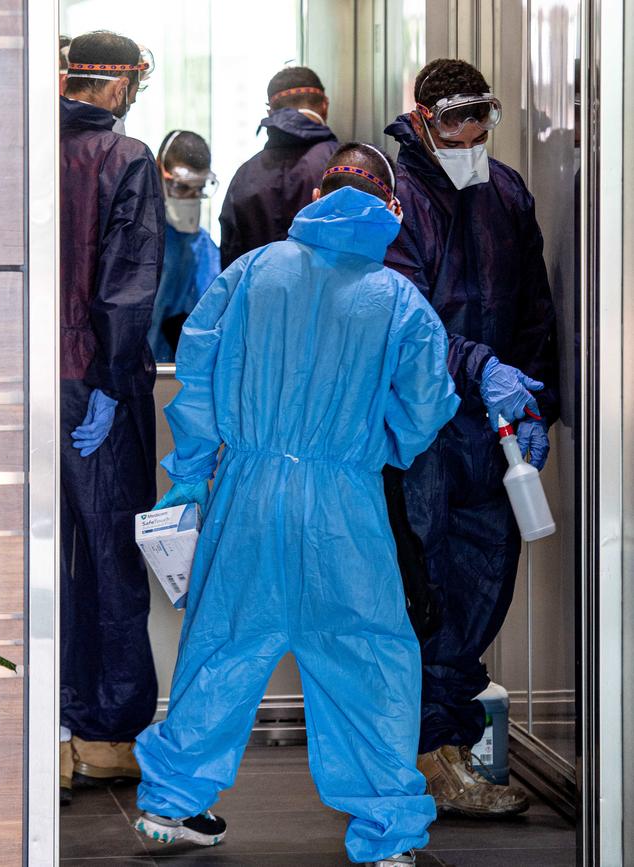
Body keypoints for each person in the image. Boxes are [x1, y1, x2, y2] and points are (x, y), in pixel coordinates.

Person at [132, 143, 460, 867]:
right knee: (368, 657)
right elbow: (428, 405)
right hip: (344, 502)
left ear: (317, 195)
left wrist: (191, 472)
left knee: (221, 646)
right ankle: (385, 836)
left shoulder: (251, 273)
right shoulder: (397, 298)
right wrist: (377, 445)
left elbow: (200, 371)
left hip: (246, 492)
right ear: (391, 209)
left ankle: (169, 804)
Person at [385, 58, 559, 817]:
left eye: (481, 117)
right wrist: (481, 368)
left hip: (493, 429)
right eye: (456, 120)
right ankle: (426, 755)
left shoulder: (506, 191)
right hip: (423, 426)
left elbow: (534, 303)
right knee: (424, 588)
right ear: (422, 119)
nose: (471, 134)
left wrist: (534, 402)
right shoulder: (397, 197)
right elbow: (402, 315)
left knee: (485, 582)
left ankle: (448, 744)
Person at [59, 30, 165, 805]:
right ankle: (102, 739)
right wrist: (105, 383)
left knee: (36, 566)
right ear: (121, 82)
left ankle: (44, 733)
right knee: (108, 563)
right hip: (99, 389)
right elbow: (128, 283)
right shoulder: (126, 159)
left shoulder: (20, 146)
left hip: (32, 386)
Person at [219, 66, 339, 269]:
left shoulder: (245, 174)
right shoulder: (344, 166)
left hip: (258, 299)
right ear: (325, 105)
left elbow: (232, 261)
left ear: (270, 112)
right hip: (331, 299)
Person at [147, 130, 221, 362]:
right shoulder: (140, 239)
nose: (190, 197)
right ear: (159, 171)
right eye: (181, 187)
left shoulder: (203, 247)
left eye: (198, 189)